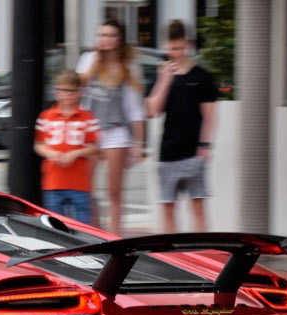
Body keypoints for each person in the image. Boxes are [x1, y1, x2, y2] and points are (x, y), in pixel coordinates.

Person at [146, 20, 218, 233]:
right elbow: (152, 111)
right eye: (170, 48)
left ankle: (201, 256)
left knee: (198, 206)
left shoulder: (202, 77)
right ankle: (173, 258)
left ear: (187, 44)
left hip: (193, 151)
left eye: (178, 48)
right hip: (168, 152)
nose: (174, 53)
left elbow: (210, 116)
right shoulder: (162, 73)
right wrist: (164, 81)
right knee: (168, 207)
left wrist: (205, 145)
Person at [75, 19, 145, 235]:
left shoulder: (129, 67)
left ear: (119, 40)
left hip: (116, 132)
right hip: (91, 131)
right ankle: (95, 231)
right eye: (101, 35)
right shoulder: (88, 60)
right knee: (86, 187)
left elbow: (135, 109)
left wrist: (138, 143)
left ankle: (115, 236)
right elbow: (77, 97)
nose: (104, 40)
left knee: (114, 191)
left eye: (110, 35)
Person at [34, 70, 100, 224]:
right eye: (62, 90)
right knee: (55, 226)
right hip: (53, 182)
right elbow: (38, 145)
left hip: (79, 183)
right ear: (56, 91)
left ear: (79, 92)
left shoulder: (87, 117)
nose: (66, 95)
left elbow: (95, 148)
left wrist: (74, 154)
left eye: (70, 91)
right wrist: (51, 154)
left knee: (82, 225)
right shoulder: (46, 116)